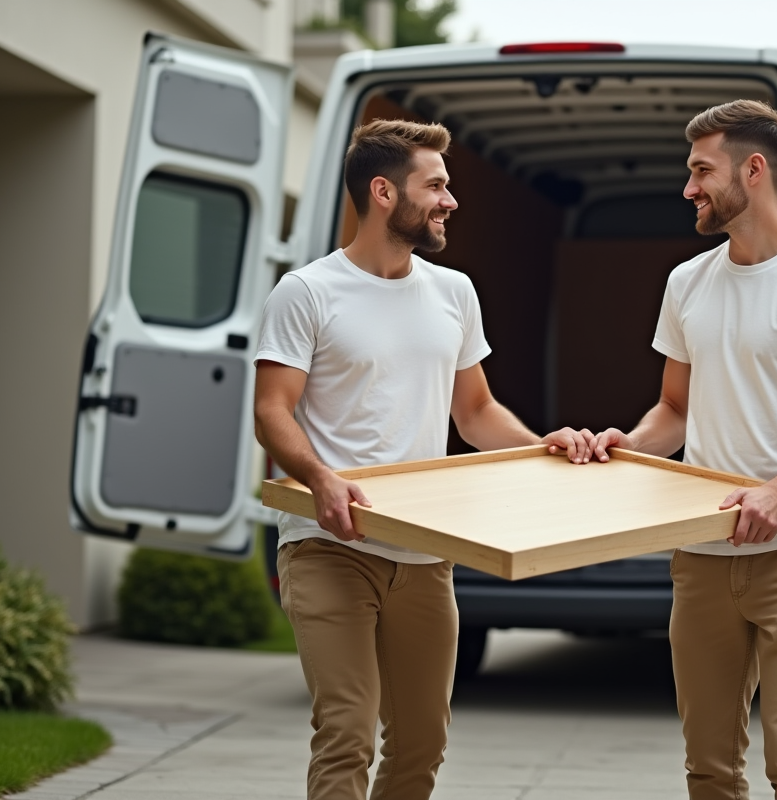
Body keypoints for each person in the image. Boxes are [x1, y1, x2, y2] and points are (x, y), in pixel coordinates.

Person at [253, 119, 592, 800]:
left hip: (423, 555)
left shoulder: (454, 292)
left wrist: (540, 445)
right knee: (346, 731)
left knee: (421, 744)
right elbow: (271, 410)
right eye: (435, 185)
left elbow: (475, 411)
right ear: (383, 192)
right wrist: (320, 478)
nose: (449, 200)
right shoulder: (307, 292)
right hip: (329, 545)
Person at [590, 100, 777, 799]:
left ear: (753, 171)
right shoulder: (687, 282)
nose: (689, 188)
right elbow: (675, 410)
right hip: (703, 556)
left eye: (701, 171)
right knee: (709, 768)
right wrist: (630, 443)